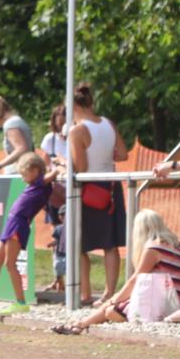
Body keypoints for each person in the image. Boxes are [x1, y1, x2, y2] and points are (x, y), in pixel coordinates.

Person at [52, 209, 180, 334]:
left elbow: (135, 280)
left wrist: (113, 300)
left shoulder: (153, 247)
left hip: (165, 302)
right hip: (179, 299)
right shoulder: (178, 245)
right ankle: (82, 324)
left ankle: (82, 324)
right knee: (113, 307)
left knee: (111, 310)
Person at [0, 153, 60, 323]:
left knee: (9, 264)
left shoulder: (41, 183)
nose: (23, 179)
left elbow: (52, 174)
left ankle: (21, 302)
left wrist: (59, 164)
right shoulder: (36, 183)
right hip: (12, 223)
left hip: (18, 224)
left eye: (25, 174)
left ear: (35, 170)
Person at [69, 83, 129, 305]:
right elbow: (122, 154)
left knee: (78, 243)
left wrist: (65, 163)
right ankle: (109, 293)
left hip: (89, 188)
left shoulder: (77, 131)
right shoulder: (108, 123)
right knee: (110, 244)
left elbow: (81, 167)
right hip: (111, 187)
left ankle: (84, 293)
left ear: (73, 105)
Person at [0, 96, 33, 175]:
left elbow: (21, 148)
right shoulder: (16, 120)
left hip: (18, 172)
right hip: (25, 170)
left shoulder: (11, 124)